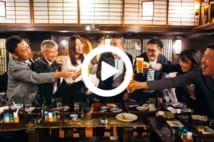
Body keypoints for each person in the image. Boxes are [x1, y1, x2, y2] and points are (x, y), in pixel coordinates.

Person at [128, 43, 214, 118]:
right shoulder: (196, 73)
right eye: (204, 56)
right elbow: (171, 80)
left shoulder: (199, 72)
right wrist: (141, 83)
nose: (203, 61)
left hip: (204, 111)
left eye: (208, 57)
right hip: (191, 109)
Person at [5, 35, 73, 105]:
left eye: (28, 47)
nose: (29, 51)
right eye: (24, 50)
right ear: (14, 55)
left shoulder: (26, 58)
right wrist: (60, 73)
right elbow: (35, 77)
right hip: (18, 103)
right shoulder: (15, 67)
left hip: (32, 100)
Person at [130, 38, 169, 107]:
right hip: (140, 92)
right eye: (148, 50)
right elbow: (136, 75)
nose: (150, 53)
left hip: (155, 93)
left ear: (160, 50)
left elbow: (162, 79)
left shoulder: (163, 60)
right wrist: (139, 69)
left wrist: (160, 95)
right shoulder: (140, 58)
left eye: (153, 51)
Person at [33, 40, 64, 106]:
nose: (55, 54)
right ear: (44, 53)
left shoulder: (57, 63)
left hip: (54, 98)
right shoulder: (38, 63)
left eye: (56, 51)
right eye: (52, 52)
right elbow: (45, 77)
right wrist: (55, 64)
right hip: (42, 100)